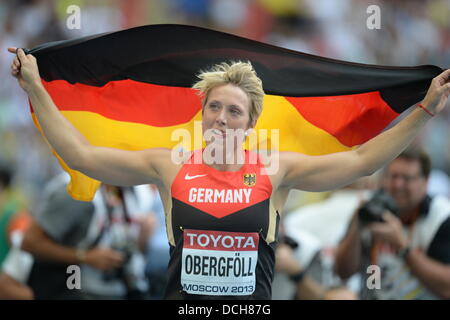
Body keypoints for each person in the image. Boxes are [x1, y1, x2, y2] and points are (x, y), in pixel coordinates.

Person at [7, 46, 450, 299]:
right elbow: (81, 154)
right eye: (213, 107)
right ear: (201, 116)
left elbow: (360, 162)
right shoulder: (168, 164)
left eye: (233, 110)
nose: (221, 117)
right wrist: (35, 86)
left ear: (250, 122)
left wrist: (425, 109)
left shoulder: (275, 171)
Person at [334, 148, 450, 299]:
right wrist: (357, 228)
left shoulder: (441, 216)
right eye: (393, 176)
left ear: (425, 181)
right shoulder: (371, 207)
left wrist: (402, 247)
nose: (398, 185)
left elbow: (447, 287)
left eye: (407, 178)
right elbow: (342, 272)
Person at [23, 173, 156, 299]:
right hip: (77, 290)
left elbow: (128, 241)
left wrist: (143, 236)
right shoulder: (75, 190)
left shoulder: (131, 190)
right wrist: (85, 257)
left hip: (121, 289)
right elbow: (30, 242)